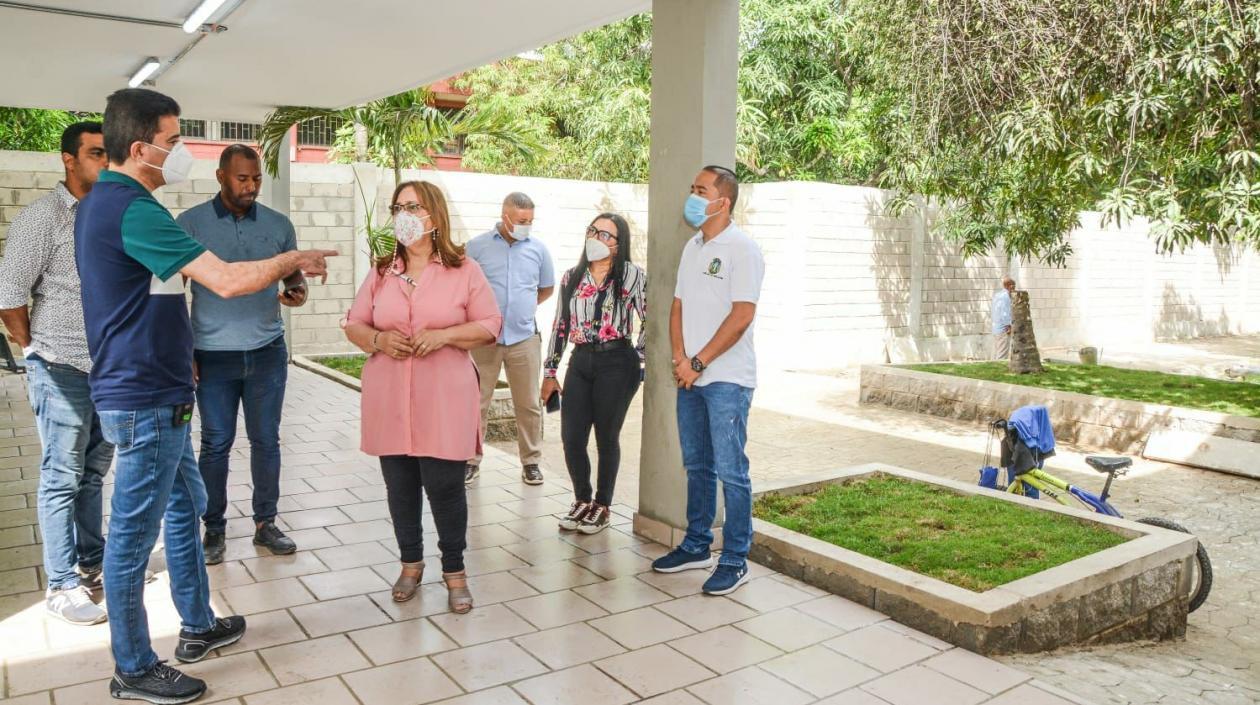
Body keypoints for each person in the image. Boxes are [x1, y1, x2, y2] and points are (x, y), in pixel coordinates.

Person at [75, 87, 336, 705]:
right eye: (173, 141)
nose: (181, 152)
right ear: (141, 148)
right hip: (143, 396)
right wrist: (291, 259)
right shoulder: (129, 208)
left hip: (160, 389)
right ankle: (134, 667)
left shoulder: (114, 202)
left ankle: (199, 622)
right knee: (132, 537)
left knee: (185, 505)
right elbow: (226, 279)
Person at [342, 180, 501, 612]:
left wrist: (446, 335)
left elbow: (490, 324)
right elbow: (354, 322)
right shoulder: (382, 271)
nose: (404, 216)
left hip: (444, 397)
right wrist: (378, 340)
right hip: (390, 397)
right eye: (398, 208)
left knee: (446, 488)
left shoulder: (464, 270)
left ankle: (455, 572)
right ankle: (410, 565)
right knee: (400, 488)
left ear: (434, 215)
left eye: (412, 207)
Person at [0, 122, 114, 625]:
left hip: (110, 368)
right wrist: (35, 350)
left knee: (93, 473)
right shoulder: (42, 218)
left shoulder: (111, 214)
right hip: (60, 367)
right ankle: (61, 584)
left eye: (109, 154)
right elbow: (9, 296)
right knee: (61, 476)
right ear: (69, 160)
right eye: (96, 153)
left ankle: (93, 561)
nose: (105, 162)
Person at [177, 144, 305, 565]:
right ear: (220, 176)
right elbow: (173, 294)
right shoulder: (190, 224)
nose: (251, 186)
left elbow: (292, 276)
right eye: (242, 178)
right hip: (212, 356)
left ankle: (266, 524)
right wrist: (183, 350)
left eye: (256, 179)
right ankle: (213, 527)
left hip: (267, 353)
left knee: (266, 440)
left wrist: (297, 291)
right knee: (215, 443)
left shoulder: (278, 225)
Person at [651, 165, 764, 597]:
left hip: (727, 380)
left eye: (701, 190)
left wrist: (698, 362)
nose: (693, 197)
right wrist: (681, 358)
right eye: (692, 188)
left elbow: (742, 315)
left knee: (732, 471)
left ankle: (735, 559)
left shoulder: (742, 250)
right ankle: (697, 545)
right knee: (697, 464)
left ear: (724, 201)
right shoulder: (693, 246)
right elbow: (677, 305)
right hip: (691, 376)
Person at [542, 213, 646, 535]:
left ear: (618, 244)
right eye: (592, 231)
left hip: (617, 362)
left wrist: (638, 358)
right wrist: (550, 371)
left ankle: (602, 505)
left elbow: (652, 318)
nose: (595, 238)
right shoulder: (572, 277)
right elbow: (560, 326)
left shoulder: (630, 275)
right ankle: (582, 499)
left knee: (606, 437)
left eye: (605, 234)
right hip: (581, 360)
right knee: (572, 436)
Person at [465, 192, 554, 487]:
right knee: (476, 402)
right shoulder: (476, 247)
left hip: (523, 338)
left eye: (530, 221)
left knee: (528, 404)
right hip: (483, 339)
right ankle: (470, 461)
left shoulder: (539, 250)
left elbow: (546, 289)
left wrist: (521, 309)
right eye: (521, 220)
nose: (526, 225)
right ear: (505, 217)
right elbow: (463, 288)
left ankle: (531, 462)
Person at [991, 276, 1016, 360]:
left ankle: (994, 366)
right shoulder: (1006, 297)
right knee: (1002, 354)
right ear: (1010, 286)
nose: (1014, 288)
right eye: (1013, 285)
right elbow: (1005, 313)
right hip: (1003, 329)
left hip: (996, 328)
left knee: (997, 352)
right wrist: (1008, 326)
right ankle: (999, 367)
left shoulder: (997, 295)